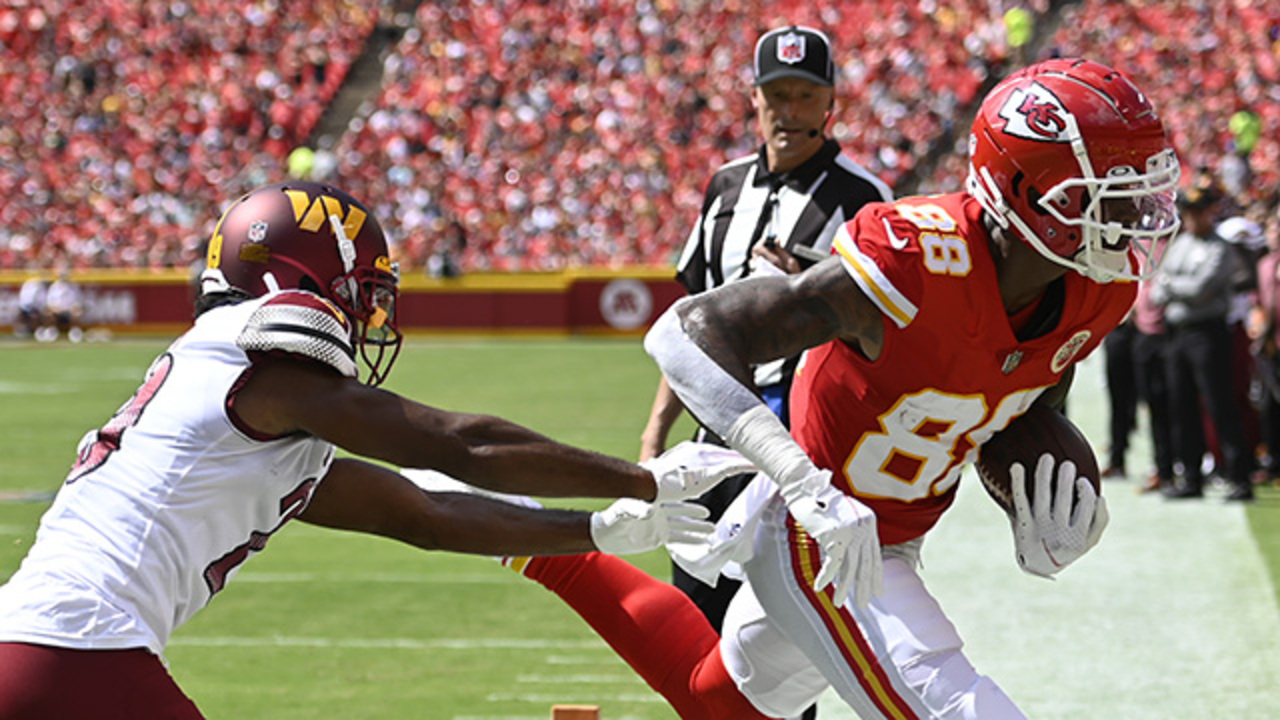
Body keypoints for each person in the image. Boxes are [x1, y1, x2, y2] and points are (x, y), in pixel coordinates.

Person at [507, 58, 1181, 719]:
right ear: (1021, 189)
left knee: (714, 698)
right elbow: (685, 332)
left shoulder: (1099, 291)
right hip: (814, 527)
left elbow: (1010, 408)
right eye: (1109, 192)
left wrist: (1033, 501)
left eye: (1139, 190)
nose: (1134, 213)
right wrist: (800, 480)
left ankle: (523, 530)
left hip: (891, 536)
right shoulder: (919, 259)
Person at [0, 181, 751, 719]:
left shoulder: (244, 414)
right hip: (79, 650)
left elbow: (420, 513)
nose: (366, 311)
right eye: (355, 286)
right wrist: (642, 480)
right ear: (296, 278)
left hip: (40, 647)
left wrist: (590, 528)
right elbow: (458, 445)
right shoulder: (261, 352)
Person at [639, 24, 892, 650]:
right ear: (754, 98)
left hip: (804, 454)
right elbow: (689, 329)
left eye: (805, 95)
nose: (789, 110)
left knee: (779, 645)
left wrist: (817, 292)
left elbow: (888, 338)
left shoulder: (863, 200)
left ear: (830, 102)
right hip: (710, 447)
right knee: (694, 631)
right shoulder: (725, 188)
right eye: (777, 94)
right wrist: (653, 436)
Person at [1150, 183, 1256, 501]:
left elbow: (1201, 290)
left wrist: (1171, 285)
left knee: (1219, 403)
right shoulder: (1180, 244)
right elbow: (1157, 290)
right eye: (1188, 212)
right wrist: (1174, 286)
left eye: (1197, 212)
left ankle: (1239, 475)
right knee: (1181, 405)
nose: (1192, 218)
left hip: (1207, 333)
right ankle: (1191, 476)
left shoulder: (1220, 248)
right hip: (1178, 334)